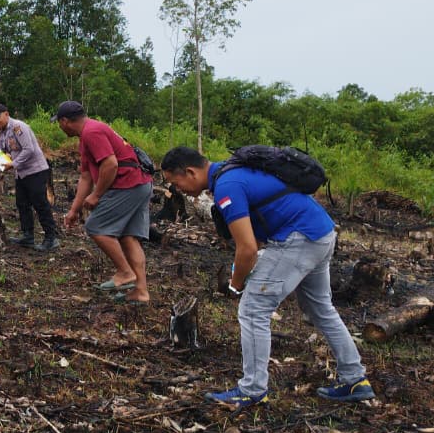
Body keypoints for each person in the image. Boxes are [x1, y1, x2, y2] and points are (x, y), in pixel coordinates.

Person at [160, 145, 374, 409]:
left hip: (300, 238)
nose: (176, 189)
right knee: (321, 309)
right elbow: (258, 240)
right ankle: (355, 379)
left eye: (175, 182)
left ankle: (251, 390)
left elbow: (247, 248)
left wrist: (236, 285)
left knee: (252, 310)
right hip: (321, 233)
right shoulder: (233, 172)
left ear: (190, 172)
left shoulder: (228, 185)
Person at [55, 101, 153, 305]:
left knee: (96, 226)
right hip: (139, 184)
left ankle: (126, 273)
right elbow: (85, 177)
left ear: (65, 121)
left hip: (128, 183)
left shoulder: (92, 132)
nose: (59, 126)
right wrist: (74, 210)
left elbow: (110, 164)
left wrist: (97, 195)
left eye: (59, 122)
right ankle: (141, 292)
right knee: (128, 238)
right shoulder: (87, 135)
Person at [0, 103, 59, 251]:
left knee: (40, 203)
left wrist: (13, 164)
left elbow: (29, 150)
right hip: (21, 173)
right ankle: (28, 236)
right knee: (22, 203)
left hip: (35, 171)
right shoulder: (2, 133)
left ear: (6, 114)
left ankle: (51, 238)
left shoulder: (18, 127)